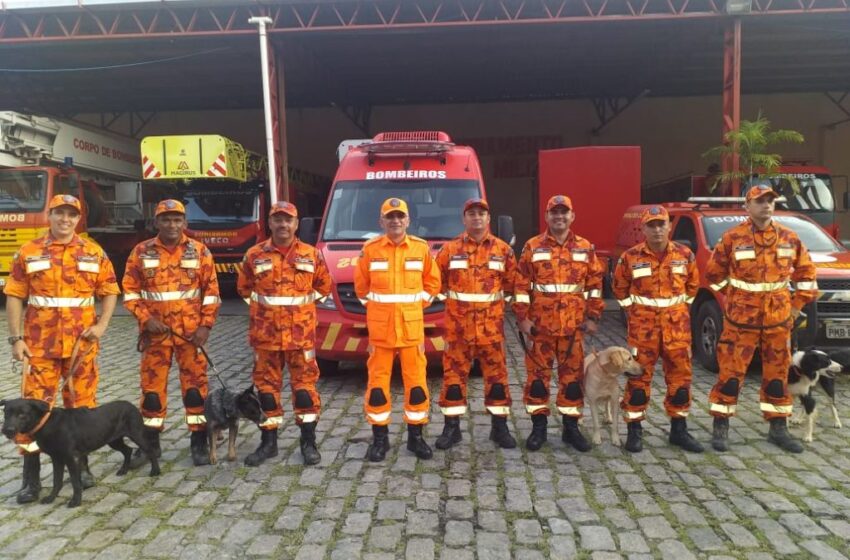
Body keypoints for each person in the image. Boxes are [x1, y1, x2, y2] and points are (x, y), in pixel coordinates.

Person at [4, 194, 119, 503]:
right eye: (59, 213)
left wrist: (103, 325)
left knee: (81, 408)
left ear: (78, 218)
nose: (65, 219)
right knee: (31, 413)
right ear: (49, 215)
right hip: (38, 348)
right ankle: (31, 479)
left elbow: (109, 291)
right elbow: (14, 295)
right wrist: (16, 339)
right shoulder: (29, 252)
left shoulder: (93, 252)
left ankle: (81, 468)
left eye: (71, 214)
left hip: (81, 347)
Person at [705, 184, 818, 453]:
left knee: (778, 377)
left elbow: (807, 277)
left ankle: (778, 427)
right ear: (747, 206)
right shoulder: (732, 238)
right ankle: (721, 425)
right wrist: (733, 299)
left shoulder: (790, 238)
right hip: (740, 324)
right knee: (730, 376)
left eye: (770, 200)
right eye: (759, 201)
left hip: (778, 322)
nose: (766, 205)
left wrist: (794, 307)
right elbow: (712, 275)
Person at [123, 199, 221, 467]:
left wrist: (205, 326)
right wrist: (145, 319)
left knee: (195, 390)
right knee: (152, 393)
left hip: (191, 337)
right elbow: (130, 293)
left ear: (185, 223)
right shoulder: (140, 252)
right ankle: (150, 445)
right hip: (156, 336)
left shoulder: (200, 252)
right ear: (156, 223)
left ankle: (199, 442)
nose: (172, 224)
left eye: (177, 219)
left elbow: (211, 294)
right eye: (165, 219)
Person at [236, 200, 331, 466]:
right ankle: (269, 443)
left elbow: (324, 287)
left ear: (296, 223)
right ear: (270, 223)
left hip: (301, 338)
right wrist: (264, 313)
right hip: (266, 337)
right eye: (277, 219)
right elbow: (244, 289)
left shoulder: (312, 255)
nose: (283, 224)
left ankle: (308, 442)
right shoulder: (254, 255)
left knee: (304, 391)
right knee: (266, 391)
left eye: (288, 219)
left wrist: (301, 312)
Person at [354, 197, 441, 462]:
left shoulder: (420, 249)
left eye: (399, 216)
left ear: (407, 220)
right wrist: (379, 312)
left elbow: (433, 283)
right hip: (381, 334)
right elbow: (361, 288)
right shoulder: (370, 250)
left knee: (416, 385)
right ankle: (380, 440)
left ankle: (416, 438)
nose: (395, 221)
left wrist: (416, 306)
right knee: (378, 387)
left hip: (411, 331)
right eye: (389, 217)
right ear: (381, 221)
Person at [514, 195, 603, 452]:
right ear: (546, 217)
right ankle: (538, 428)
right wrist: (522, 318)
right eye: (554, 212)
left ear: (572, 216)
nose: (559, 217)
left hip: (573, 329)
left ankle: (571, 429)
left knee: (572, 381)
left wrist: (593, 317)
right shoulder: (532, 246)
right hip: (540, 328)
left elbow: (595, 286)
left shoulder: (586, 248)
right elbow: (521, 285)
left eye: (564, 213)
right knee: (538, 380)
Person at [612, 205, 703, 453]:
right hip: (643, 332)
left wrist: (678, 312)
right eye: (651, 225)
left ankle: (679, 430)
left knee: (681, 381)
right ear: (643, 228)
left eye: (661, 224)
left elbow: (693, 286)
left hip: (677, 332)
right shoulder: (630, 257)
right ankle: (634, 430)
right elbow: (619, 288)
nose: (657, 230)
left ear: (669, 226)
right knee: (638, 380)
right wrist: (634, 312)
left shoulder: (685, 255)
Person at [433, 198, 518, 450]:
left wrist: (511, 314)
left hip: (491, 331)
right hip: (458, 331)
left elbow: (514, 287)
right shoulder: (449, 250)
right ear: (464, 219)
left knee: (497, 380)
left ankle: (499, 428)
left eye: (481, 213)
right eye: (471, 214)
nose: (476, 218)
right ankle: (452, 429)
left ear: (488, 219)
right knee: (453, 380)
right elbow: (437, 284)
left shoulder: (503, 251)